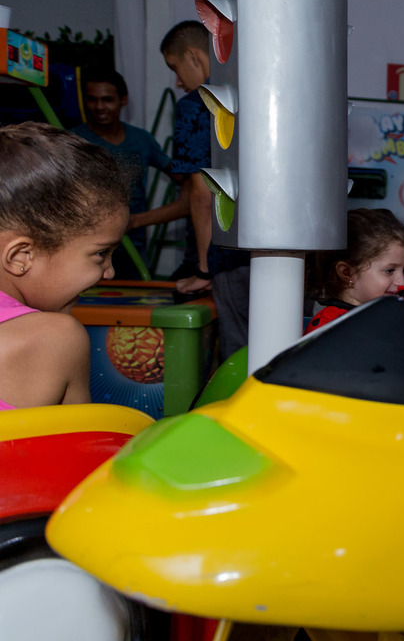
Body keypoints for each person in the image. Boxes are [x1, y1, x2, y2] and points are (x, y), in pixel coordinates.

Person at [0, 123, 129, 407]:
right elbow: (84, 436)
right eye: (101, 253)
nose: (109, 272)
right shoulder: (57, 337)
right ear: (21, 256)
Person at [160, 20, 251, 363]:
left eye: (175, 68)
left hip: (232, 254)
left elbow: (201, 192)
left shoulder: (196, 105)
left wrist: (203, 268)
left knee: (239, 356)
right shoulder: (259, 96)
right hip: (293, 250)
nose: (178, 81)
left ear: (193, 56)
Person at [71, 67, 185, 278]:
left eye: (107, 100)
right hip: (87, 246)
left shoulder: (141, 139)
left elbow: (184, 178)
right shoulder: (74, 141)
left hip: (133, 245)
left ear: (123, 100)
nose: (99, 107)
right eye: (92, 99)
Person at [305, 208, 404, 334]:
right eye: (389, 271)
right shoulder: (329, 327)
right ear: (347, 273)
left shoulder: (386, 317)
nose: (402, 282)